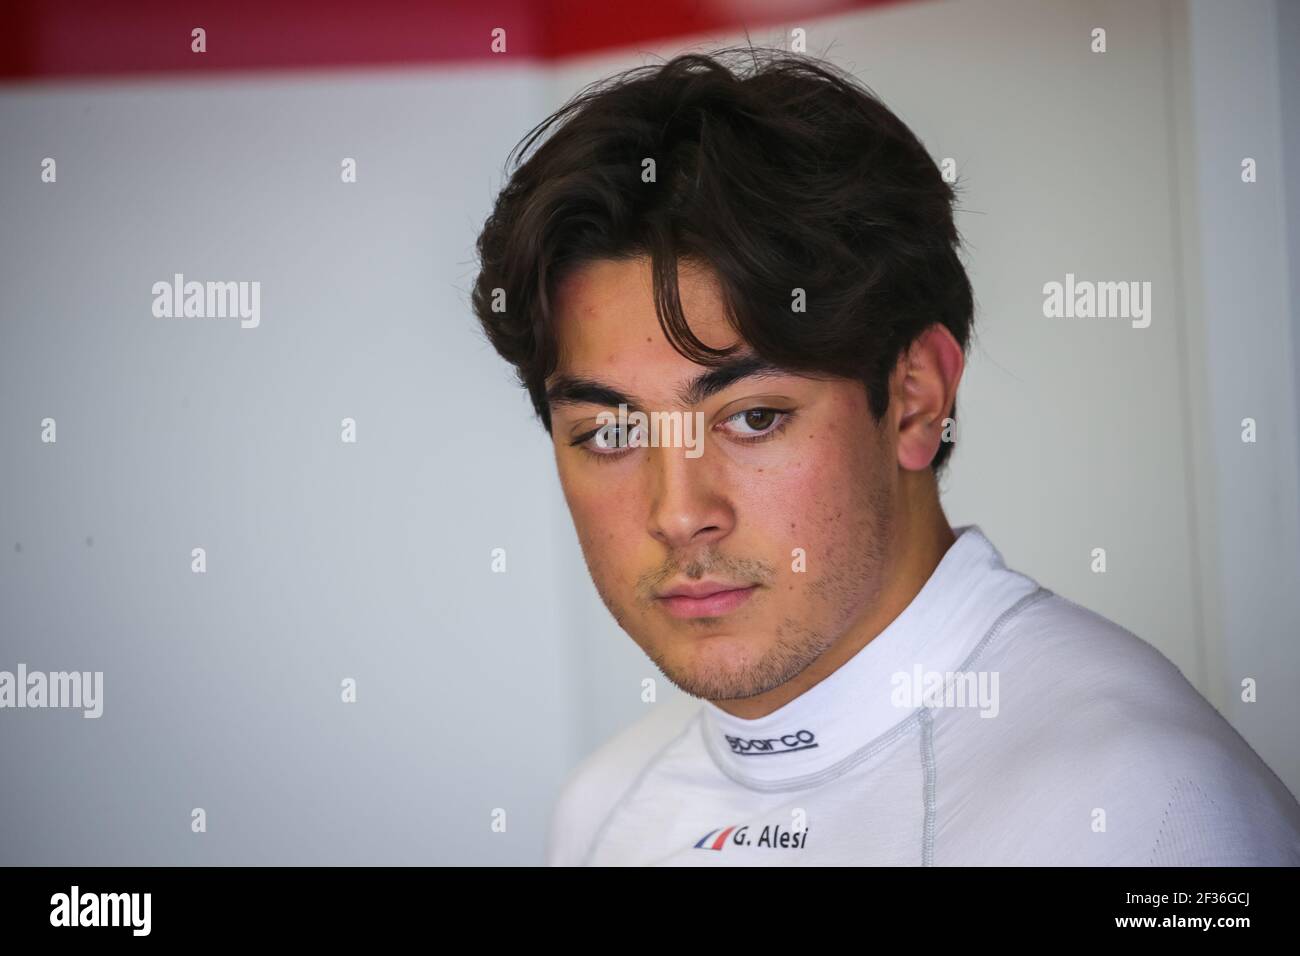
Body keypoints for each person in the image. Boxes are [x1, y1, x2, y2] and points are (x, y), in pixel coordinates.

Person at [469, 46, 1300, 865]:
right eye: (612, 433)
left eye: (752, 417)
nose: (679, 515)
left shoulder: (1150, 810)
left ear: (916, 400)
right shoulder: (602, 810)